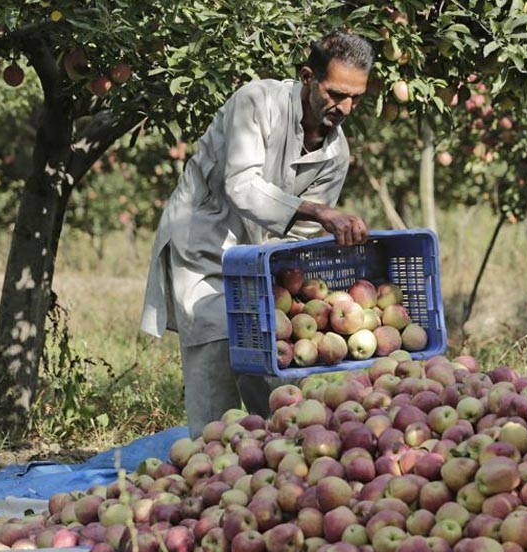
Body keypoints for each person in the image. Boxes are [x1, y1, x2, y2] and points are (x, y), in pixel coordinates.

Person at [140, 31, 374, 439]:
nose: (346, 107)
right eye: (337, 94)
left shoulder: (336, 153)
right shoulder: (257, 102)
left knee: (265, 357)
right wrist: (320, 211)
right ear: (307, 77)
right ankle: (210, 462)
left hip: (259, 257)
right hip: (205, 242)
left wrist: (297, 296)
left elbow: (299, 237)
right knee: (215, 351)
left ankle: (268, 458)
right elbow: (241, 186)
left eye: (356, 97)